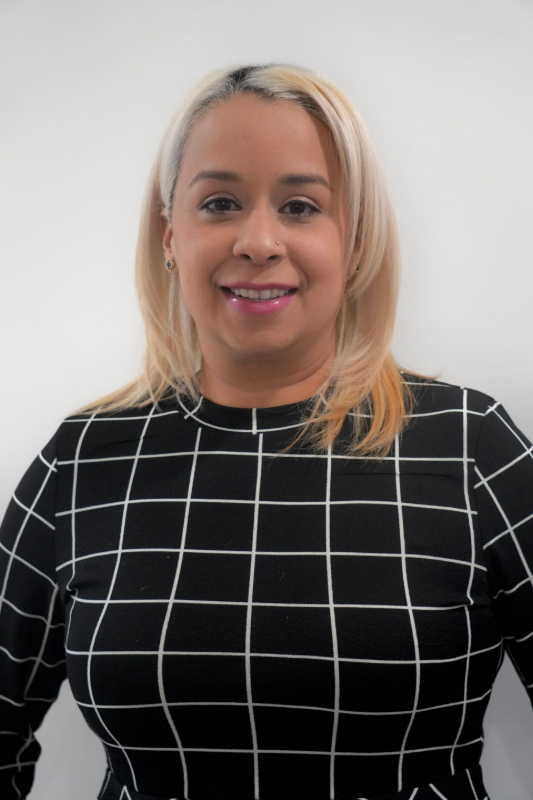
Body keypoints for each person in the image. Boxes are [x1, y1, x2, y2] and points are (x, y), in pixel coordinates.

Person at [0, 62, 531, 800]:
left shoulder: (472, 448)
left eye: (300, 207)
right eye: (219, 202)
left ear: (355, 239)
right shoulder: (81, 463)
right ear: (169, 237)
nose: (257, 240)